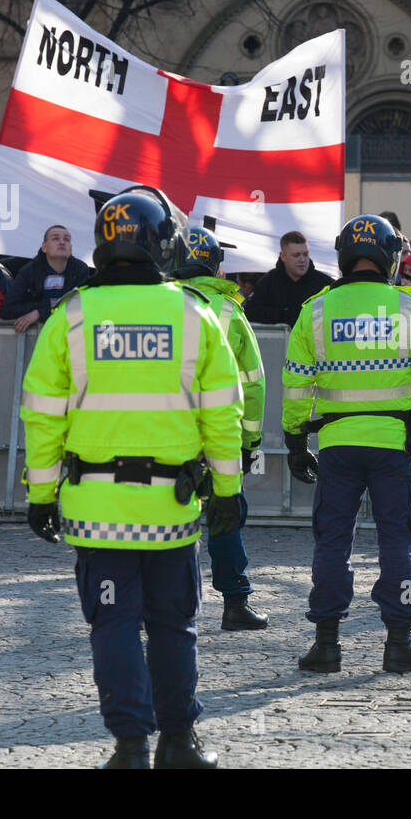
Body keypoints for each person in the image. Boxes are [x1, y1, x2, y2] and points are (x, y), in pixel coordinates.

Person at [21, 188, 244, 770]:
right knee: (174, 627)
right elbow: (222, 413)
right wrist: (228, 489)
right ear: (164, 245)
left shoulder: (70, 315)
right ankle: (179, 743)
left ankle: (128, 748)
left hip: (95, 509)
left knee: (113, 625)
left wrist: (41, 495)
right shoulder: (194, 314)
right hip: (171, 510)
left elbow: (42, 416)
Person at [282, 214, 411, 674]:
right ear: (392, 257)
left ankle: (326, 645)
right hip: (392, 444)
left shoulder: (316, 310)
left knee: (332, 540)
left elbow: (296, 385)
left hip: (337, 444)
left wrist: (295, 442)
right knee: (398, 539)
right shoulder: (409, 308)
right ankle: (399, 643)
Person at [171, 224, 270, 632]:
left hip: (168, 431)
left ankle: (166, 605)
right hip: (219, 434)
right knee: (226, 515)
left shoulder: (158, 304)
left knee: (169, 520)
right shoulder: (229, 310)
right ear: (218, 269)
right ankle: (234, 604)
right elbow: (254, 381)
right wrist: (249, 441)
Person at [0, 224, 93, 333]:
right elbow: (7, 309)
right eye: (55, 238)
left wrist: (40, 312)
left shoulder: (80, 270)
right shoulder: (29, 271)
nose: (62, 242)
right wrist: (41, 309)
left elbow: (81, 306)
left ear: (70, 249)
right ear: (44, 247)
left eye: (66, 240)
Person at [242, 231, 334, 326]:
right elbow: (250, 312)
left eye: (305, 254)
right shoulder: (268, 282)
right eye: (296, 255)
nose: (302, 260)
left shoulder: (324, 283)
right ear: (283, 256)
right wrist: (285, 315)